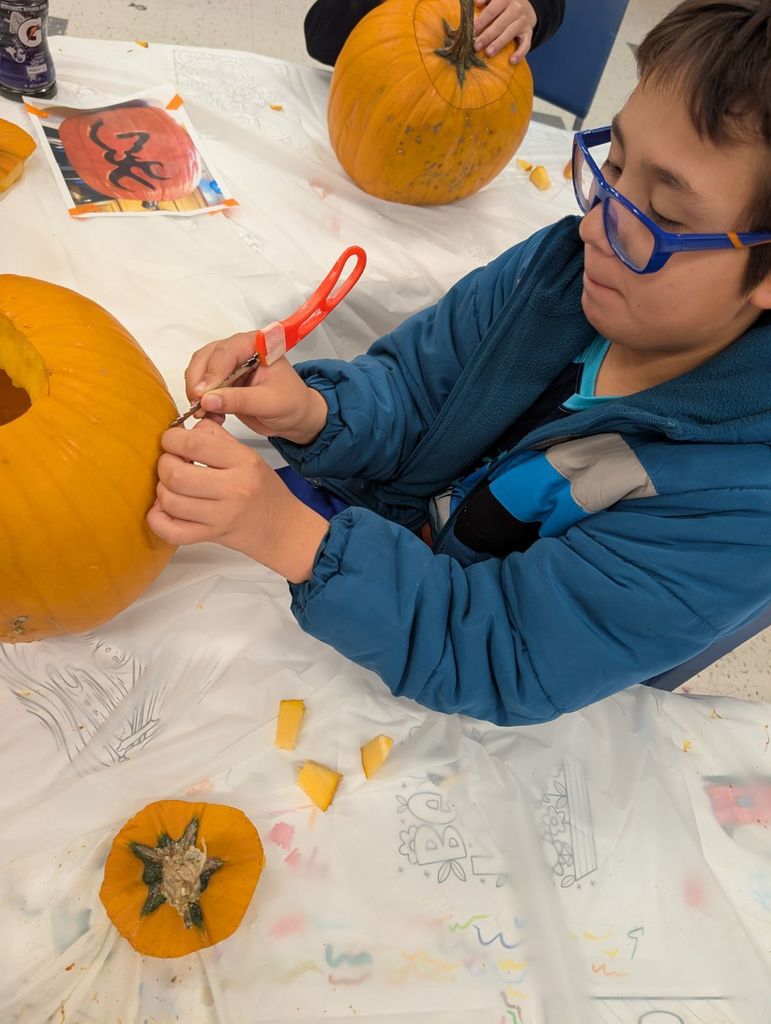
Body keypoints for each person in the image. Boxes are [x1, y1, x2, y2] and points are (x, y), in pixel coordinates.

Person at [148, 0, 771, 727]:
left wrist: (287, 536)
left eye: (662, 217)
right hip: (376, 582)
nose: (598, 224)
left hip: (489, 711)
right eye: (617, 164)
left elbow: (506, 653)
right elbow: (415, 392)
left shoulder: (739, 499)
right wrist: (313, 411)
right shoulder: (556, 270)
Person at [304, 0, 565, 67]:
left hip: (475, 119)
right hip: (378, 102)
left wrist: (532, 8)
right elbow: (320, 38)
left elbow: (552, 6)